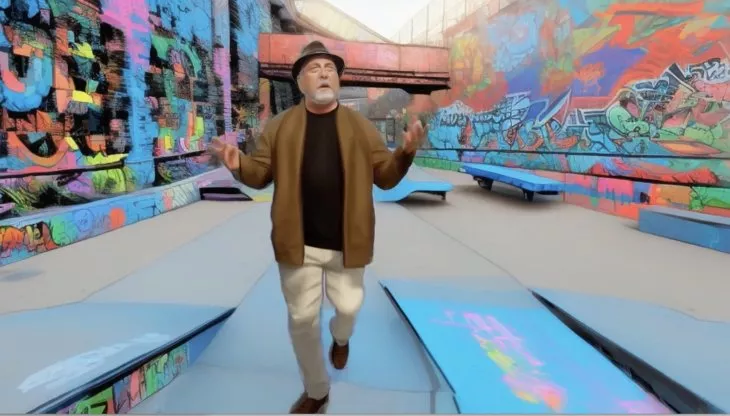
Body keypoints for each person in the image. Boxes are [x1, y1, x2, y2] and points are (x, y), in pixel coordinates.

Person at [208, 40, 426, 414]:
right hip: (297, 244)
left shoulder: (360, 127)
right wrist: (238, 163)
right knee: (301, 320)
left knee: (348, 307)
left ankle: (341, 338)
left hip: (347, 242)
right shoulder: (280, 126)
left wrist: (404, 153)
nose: (324, 74)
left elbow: (386, 177)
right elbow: (260, 175)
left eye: (330, 69)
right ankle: (317, 390)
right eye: (314, 68)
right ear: (300, 82)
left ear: (338, 79)